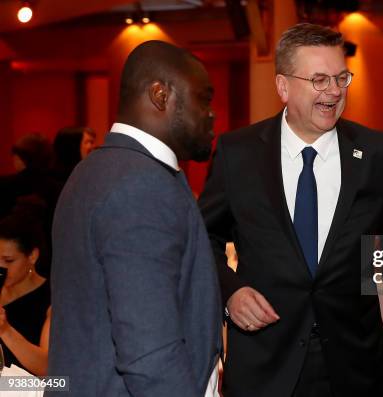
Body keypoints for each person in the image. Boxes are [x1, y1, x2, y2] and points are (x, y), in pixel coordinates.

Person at [199, 23, 383, 397]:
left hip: (354, 365)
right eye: (319, 80)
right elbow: (202, 237)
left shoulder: (375, 152)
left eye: (341, 78)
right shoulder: (237, 152)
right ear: (283, 87)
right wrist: (230, 293)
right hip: (266, 363)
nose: (335, 91)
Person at [47, 40, 222, 396]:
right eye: (204, 98)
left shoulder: (97, 168)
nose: (211, 113)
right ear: (160, 95)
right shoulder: (140, 184)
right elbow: (149, 353)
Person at [0, 213, 51, 376]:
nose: (0, 267)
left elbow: (48, 369)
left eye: (8, 261)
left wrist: (5, 330)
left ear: (32, 256)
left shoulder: (52, 298)